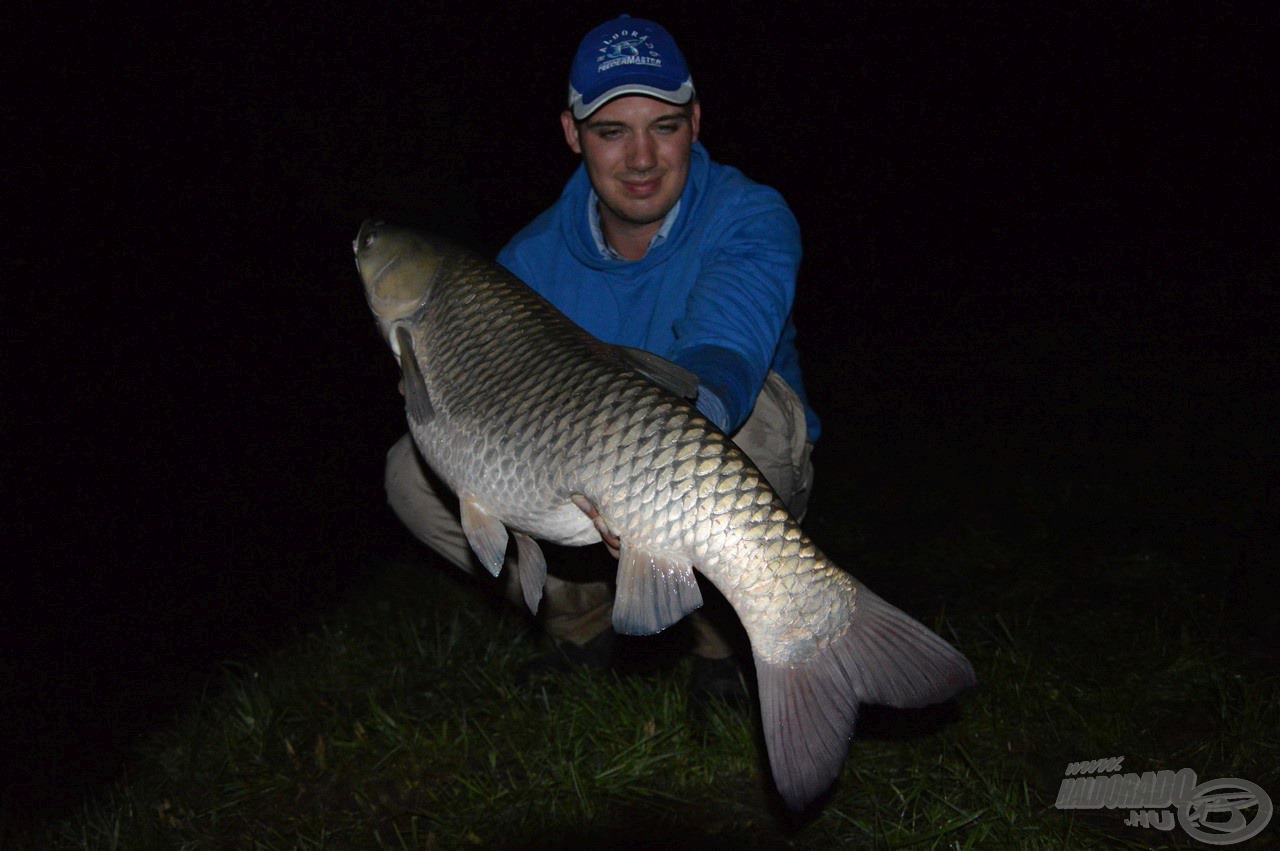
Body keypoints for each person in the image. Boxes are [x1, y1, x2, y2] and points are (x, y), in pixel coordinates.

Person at [385, 14, 820, 704]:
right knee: (412, 470)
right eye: (612, 132)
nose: (641, 159)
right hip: (574, 481)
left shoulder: (751, 216)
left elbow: (724, 354)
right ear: (572, 134)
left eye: (665, 127)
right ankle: (579, 623)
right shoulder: (527, 262)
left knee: (754, 419)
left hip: (700, 452)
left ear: (697, 121)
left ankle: (721, 644)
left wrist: (652, 482)